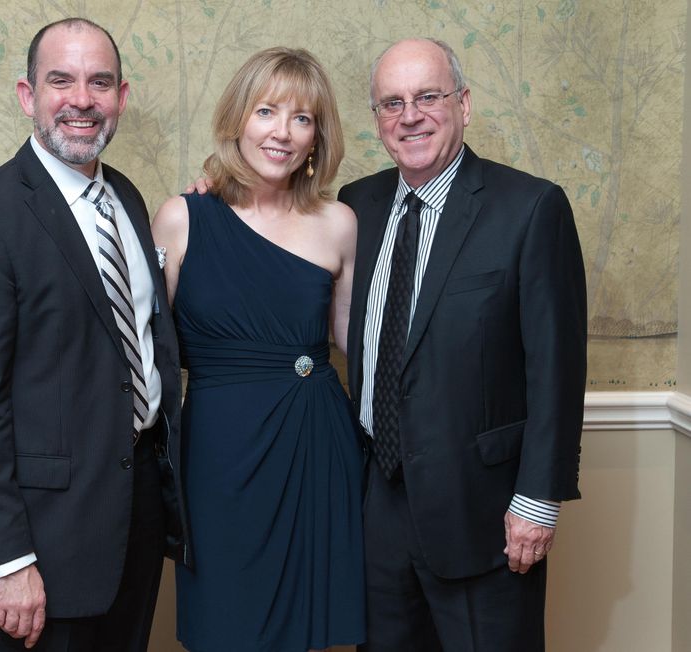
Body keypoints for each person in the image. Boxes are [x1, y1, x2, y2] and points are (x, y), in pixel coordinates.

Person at [0, 18, 188, 652]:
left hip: (135, 512)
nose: (82, 100)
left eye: (100, 82)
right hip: (41, 542)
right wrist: (5, 561)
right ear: (28, 95)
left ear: (121, 97)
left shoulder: (124, 198)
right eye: (61, 81)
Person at [337, 38, 587, 651]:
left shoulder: (530, 207)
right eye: (392, 103)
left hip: (484, 511)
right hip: (375, 505)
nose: (410, 116)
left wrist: (537, 501)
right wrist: (219, 186)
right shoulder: (356, 206)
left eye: (428, 96)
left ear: (464, 104)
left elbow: (556, 370)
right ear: (377, 119)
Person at [152, 47, 366, 652]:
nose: (282, 132)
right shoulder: (181, 217)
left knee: (309, 628)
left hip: (316, 440)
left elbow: (356, 341)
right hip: (219, 452)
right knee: (226, 621)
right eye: (266, 111)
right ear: (237, 119)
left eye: (302, 118)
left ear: (317, 136)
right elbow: (146, 350)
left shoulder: (339, 223)